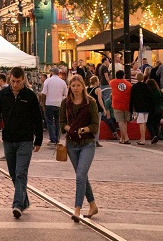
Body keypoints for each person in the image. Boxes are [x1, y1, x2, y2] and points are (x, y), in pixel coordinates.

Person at [0, 66, 43, 220]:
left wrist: (38, 140)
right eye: (13, 81)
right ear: (9, 79)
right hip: (9, 139)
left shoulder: (30, 96)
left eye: (18, 82)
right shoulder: (3, 94)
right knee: (13, 173)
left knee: (21, 173)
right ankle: (24, 201)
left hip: (25, 140)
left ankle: (17, 204)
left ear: (23, 79)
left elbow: (38, 118)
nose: (15, 85)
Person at [59, 74, 99, 223]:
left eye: (78, 85)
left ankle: (77, 209)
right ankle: (93, 205)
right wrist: (69, 128)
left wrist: (84, 129)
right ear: (70, 87)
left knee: (80, 175)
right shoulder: (66, 103)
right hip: (72, 144)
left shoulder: (91, 103)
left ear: (83, 86)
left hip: (87, 143)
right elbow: (62, 123)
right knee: (82, 176)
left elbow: (95, 125)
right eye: (73, 86)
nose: (75, 89)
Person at [42, 67, 67, 146]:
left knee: (49, 121)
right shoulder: (63, 82)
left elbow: (44, 93)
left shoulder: (48, 81)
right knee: (57, 122)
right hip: (59, 104)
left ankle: (52, 139)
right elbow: (65, 94)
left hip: (49, 103)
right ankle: (57, 139)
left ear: (52, 73)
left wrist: (43, 103)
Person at [108, 71, 132, 144]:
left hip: (117, 104)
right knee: (125, 122)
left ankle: (126, 138)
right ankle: (122, 138)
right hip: (126, 104)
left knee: (120, 121)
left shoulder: (112, 82)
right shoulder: (128, 84)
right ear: (123, 76)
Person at [129, 72, 152, 145]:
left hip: (139, 107)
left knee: (141, 123)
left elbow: (131, 98)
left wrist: (131, 109)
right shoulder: (146, 86)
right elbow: (150, 97)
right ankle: (143, 138)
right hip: (147, 107)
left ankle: (142, 139)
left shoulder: (134, 87)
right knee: (144, 123)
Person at [145, 79, 163, 144]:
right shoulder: (159, 91)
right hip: (158, 109)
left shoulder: (148, 92)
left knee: (148, 123)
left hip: (150, 109)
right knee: (156, 124)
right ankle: (156, 136)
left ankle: (153, 135)